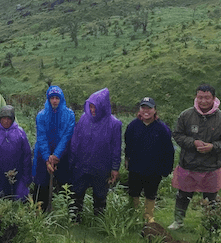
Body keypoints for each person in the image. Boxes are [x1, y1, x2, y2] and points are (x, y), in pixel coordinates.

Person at [169, 84, 221, 230]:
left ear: (214, 98)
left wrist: (213, 147)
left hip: (212, 165)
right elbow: (177, 135)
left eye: (207, 98)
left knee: (211, 198)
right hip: (188, 164)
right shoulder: (186, 115)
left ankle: (210, 223)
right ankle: (178, 221)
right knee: (183, 195)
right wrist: (193, 143)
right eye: (200, 97)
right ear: (196, 97)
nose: (203, 101)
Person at [69, 88, 122, 219]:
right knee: (77, 192)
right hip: (82, 163)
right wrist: (72, 160)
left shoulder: (114, 124)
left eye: (95, 107)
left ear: (103, 107)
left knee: (100, 194)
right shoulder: (84, 119)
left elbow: (116, 148)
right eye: (91, 107)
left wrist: (115, 168)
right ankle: (75, 219)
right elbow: (76, 140)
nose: (92, 110)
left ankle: (99, 221)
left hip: (102, 166)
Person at [124, 97, 175, 224]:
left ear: (155, 110)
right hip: (136, 167)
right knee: (133, 192)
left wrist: (167, 168)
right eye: (143, 108)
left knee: (150, 193)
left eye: (149, 108)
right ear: (140, 110)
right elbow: (128, 145)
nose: (146, 111)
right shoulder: (133, 126)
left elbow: (169, 150)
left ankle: (148, 217)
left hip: (154, 169)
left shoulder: (162, 129)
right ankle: (133, 215)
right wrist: (127, 159)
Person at [32, 85, 75, 212]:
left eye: (57, 98)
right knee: (42, 183)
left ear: (61, 99)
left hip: (62, 154)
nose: (54, 101)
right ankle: (40, 211)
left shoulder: (69, 115)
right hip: (43, 155)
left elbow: (67, 136)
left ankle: (66, 212)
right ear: (48, 99)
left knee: (65, 183)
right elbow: (42, 136)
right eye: (52, 98)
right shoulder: (41, 115)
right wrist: (47, 158)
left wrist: (56, 155)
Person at [0, 105, 32, 201]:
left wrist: (27, 176)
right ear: (0, 119)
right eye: (3, 118)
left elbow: (26, 155)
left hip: (17, 173)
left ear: (13, 119)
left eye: (8, 119)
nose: (6, 121)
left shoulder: (20, 133)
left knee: (18, 199)